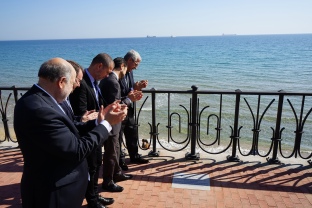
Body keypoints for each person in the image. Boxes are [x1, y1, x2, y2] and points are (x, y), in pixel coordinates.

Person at [13, 57, 127, 208]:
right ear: (61, 82)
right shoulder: (39, 109)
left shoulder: (48, 101)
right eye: (74, 81)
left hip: (62, 188)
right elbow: (76, 150)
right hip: (53, 194)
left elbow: (70, 127)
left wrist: (98, 121)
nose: (77, 85)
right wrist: (107, 124)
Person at [69, 53, 123, 208]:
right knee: (92, 167)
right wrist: (100, 117)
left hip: (96, 128)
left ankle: (95, 195)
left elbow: (99, 102)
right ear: (100, 66)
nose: (108, 76)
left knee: (96, 164)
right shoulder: (82, 82)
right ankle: (92, 200)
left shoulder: (93, 81)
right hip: (88, 132)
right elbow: (80, 111)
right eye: (108, 72)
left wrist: (111, 108)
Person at [99, 57, 138, 192]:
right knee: (111, 151)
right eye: (126, 68)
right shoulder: (113, 82)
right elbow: (115, 106)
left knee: (115, 149)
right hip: (111, 123)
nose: (126, 72)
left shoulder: (107, 79)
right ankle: (108, 181)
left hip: (108, 121)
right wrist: (129, 99)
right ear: (122, 66)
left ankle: (117, 173)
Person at [119, 50, 149, 170]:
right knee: (118, 137)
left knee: (132, 132)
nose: (136, 67)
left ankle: (134, 156)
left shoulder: (130, 72)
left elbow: (129, 88)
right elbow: (117, 91)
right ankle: (120, 161)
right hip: (120, 108)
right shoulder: (118, 71)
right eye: (136, 64)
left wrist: (137, 87)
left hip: (129, 107)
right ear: (129, 60)